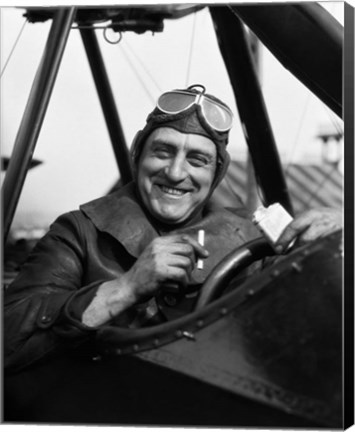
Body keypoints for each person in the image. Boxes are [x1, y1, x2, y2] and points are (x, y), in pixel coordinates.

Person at [4, 84, 341, 373]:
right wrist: (124, 289)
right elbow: (9, 339)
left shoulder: (253, 243)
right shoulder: (79, 232)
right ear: (137, 157)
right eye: (163, 152)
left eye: (197, 160)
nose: (176, 172)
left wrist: (341, 243)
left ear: (216, 175)